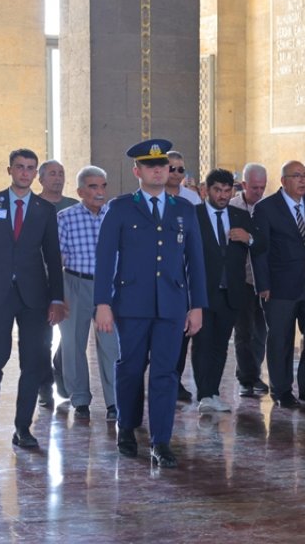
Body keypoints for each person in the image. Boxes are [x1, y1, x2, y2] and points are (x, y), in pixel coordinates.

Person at [93, 139, 206, 468]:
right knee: (129, 368)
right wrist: (102, 303)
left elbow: (195, 261)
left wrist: (196, 304)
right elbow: (104, 260)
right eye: (150, 165)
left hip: (171, 305)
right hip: (131, 303)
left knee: (166, 373)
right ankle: (126, 427)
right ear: (137, 171)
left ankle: (161, 440)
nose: (158, 170)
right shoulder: (121, 207)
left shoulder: (184, 209)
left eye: (162, 166)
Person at [0, 148, 67, 449]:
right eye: (19, 167)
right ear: (9, 170)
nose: (24, 172)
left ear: (36, 174)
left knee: (33, 360)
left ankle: (23, 426)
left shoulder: (44, 210)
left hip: (35, 295)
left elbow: (52, 256)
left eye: (30, 168)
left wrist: (57, 299)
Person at [251, 161, 305, 408]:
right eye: (297, 176)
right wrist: (262, 284)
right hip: (279, 287)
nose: (303, 181)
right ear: (284, 180)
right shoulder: (266, 208)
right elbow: (260, 250)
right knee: (280, 339)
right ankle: (282, 390)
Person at [56, 165, 119, 421]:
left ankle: (114, 402)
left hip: (109, 288)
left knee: (111, 345)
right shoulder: (65, 217)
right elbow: (56, 257)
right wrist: (57, 295)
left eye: (103, 185)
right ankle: (80, 398)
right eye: (93, 186)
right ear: (80, 191)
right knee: (72, 343)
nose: (100, 191)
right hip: (74, 284)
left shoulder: (115, 216)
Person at [192, 169, 255, 413]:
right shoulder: (194, 215)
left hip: (231, 291)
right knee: (202, 343)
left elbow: (261, 245)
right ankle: (204, 394)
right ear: (205, 190)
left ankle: (213, 392)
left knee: (220, 344)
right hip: (203, 291)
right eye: (217, 190)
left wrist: (248, 238)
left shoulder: (240, 215)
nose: (222, 195)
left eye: (227, 191)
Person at [229, 163, 271, 397]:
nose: (259, 192)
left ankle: (253, 373)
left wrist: (251, 238)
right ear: (244, 185)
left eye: (262, 187)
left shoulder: (268, 207)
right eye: (254, 187)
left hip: (263, 279)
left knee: (261, 331)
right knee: (243, 330)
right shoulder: (232, 207)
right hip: (241, 278)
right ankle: (246, 378)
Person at [37, 160, 76, 405]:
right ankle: (44, 386)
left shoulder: (73, 206)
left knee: (71, 334)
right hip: (37, 279)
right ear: (40, 179)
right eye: (52, 173)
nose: (58, 178)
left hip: (68, 279)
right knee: (42, 336)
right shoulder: (32, 205)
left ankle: (60, 368)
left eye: (61, 173)